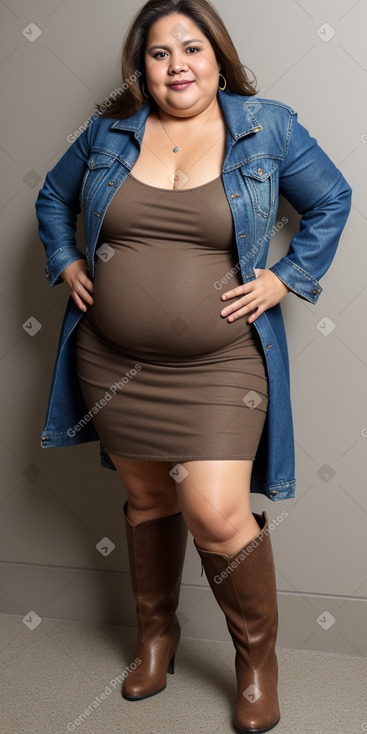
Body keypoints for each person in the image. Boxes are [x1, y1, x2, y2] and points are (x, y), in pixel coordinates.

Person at [35, 0, 352, 731]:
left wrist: (287, 277)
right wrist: (66, 258)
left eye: (192, 48)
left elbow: (331, 197)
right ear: (139, 67)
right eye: (158, 53)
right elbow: (53, 198)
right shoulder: (107, 131)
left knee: (216, 512)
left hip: (219, 368)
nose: (177, 65)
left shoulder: (265, 125)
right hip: (111, 361)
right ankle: (156, 637)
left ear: (217, 55)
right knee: (149, 502)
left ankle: (254, 661)